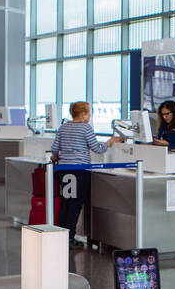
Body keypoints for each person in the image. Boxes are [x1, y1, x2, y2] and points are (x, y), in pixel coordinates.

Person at [49, 101, 124, 243]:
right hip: (79, 170)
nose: (90, 116)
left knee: (66, 203)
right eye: (89, 113)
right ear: (83, 114)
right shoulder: (86, 128)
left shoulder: (63, 127)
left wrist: (56, 157)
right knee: (76, 204)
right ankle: (70, 237)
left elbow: (54, 148)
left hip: (64, 170)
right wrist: (109, 142)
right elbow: (97, 148)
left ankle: (60, 235)